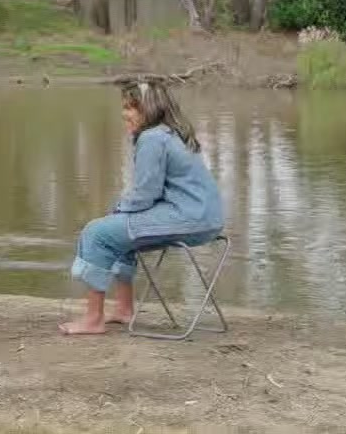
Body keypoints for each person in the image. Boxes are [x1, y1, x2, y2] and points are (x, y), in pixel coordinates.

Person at [60, 79, 224, 336]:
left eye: (131, 107)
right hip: (206, 219)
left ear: (150, 109)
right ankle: (124, 309)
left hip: (188, 217)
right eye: (124, 107)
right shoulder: (171, 133)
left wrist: (119, 209)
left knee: (97, 233)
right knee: (117, 231)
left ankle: (93, 319)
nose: (124, 113)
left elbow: (146, 194)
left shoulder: (152, 138)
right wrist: (121, 212)